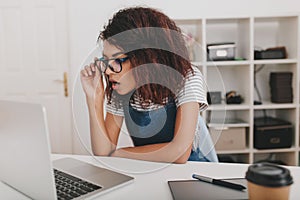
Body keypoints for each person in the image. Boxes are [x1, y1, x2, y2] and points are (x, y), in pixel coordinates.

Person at [80, 6, 217, 164]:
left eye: (117, 60)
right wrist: (94, 99)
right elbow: (103, 152)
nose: (108, 71)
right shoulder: (120, 87)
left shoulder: (187, 78)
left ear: (146, 57)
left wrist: (118, 154)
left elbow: (179, 154)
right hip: (150, 168)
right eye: (106, 60)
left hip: (192, 171)